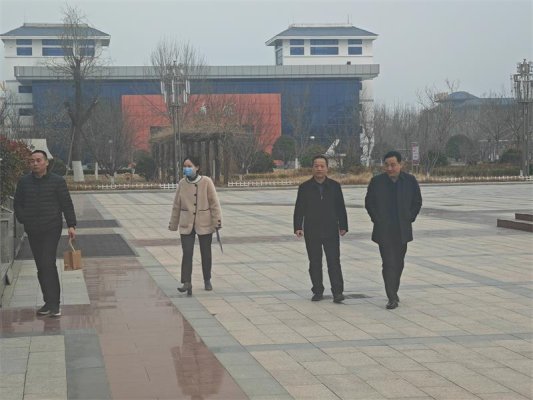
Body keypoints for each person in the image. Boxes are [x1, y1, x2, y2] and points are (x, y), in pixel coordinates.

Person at [14, 150, 77, 317]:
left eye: (38, 160)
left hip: (51, 228)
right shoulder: (24, 182)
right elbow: (17, 203)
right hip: (33, 229)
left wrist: (71, 225)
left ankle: (55, 304)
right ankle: (48, 302)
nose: (35, 163)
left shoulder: (57, 181)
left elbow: (66, 203)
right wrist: (23, 218)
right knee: (41, 266)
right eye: (32, 161)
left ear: (46, 162)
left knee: (48, 263)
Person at [365, 150, 422, 309]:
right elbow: (369, 203)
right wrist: (377, 219)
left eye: (393, 165)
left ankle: (394, 290)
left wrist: (409, 217)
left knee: (399, 263)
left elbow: (417, 201)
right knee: (388, 262)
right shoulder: (377, 182)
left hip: (402, 229)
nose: (389, 168)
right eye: (387, 165)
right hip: (384, 230)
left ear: (400, 164)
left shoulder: (409, 181)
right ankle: (391, 296)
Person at [293, 155, 348, 303]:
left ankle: (337, 292)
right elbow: (299, 208)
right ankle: (317, 290)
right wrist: (298, 226)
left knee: (334, 261)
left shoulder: (335, 186)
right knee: (314, 261)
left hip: (331, 229)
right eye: (316, 166)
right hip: (312, 229)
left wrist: (343, 225)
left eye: (322, 166)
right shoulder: (304, 187)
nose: (319, 169)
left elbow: (340, 207)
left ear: (327, 168)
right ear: (312, 168)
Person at [169, 156, 222, 295]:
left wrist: (217, 221)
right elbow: (176, 205)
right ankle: (187, 282)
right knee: (187, 252)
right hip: (186, 223)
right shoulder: (182, 183)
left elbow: (214, 203)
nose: (186, 168)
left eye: (189, 166)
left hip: (204, 222)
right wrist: (173, 223)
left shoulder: (206, 182)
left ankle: (207, 279)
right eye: (184, 166)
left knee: (206, 253)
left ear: (197, 167)